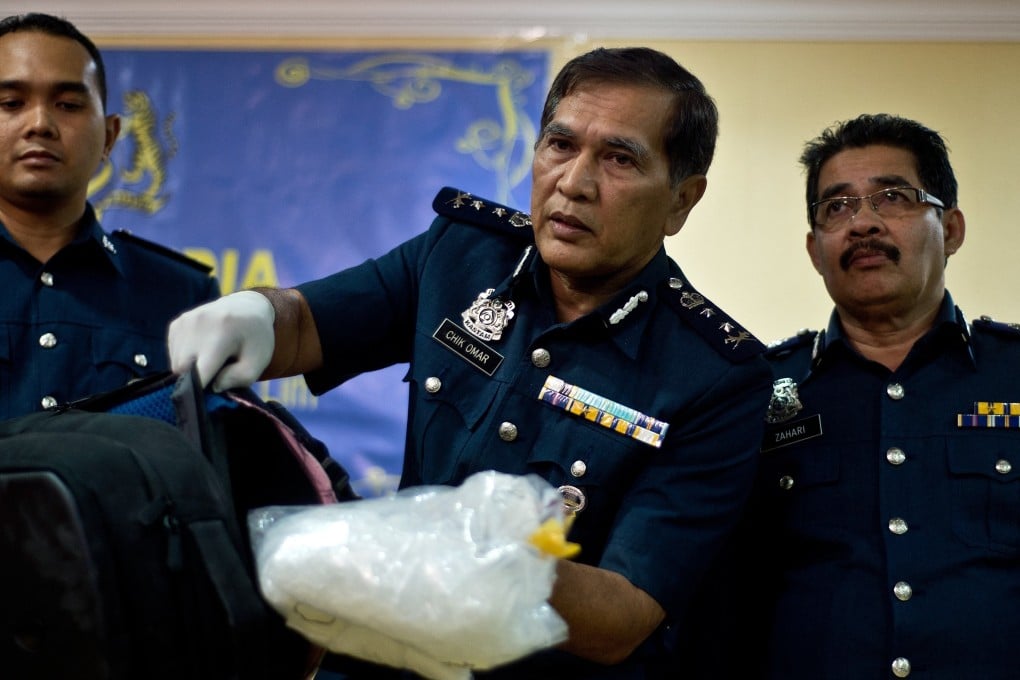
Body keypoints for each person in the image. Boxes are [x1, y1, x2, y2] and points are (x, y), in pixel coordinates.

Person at [169, 46, 771, 677]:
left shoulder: (717, 377)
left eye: (619, 159)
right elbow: (305, 323)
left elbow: (626, 612)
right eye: (560, 146)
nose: (574, 182)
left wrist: (494, 571)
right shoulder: (461, 256)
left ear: (682, 199)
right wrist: (256, 316)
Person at [750, 113, 1018, 679]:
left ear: (951, 229)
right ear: (815, 249)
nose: (863, 223)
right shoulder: (755, 393)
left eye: (892, 197)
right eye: (837, 207)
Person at [0, 12, 219, 420]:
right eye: (11, 103)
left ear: (110, 136)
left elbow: (214, 459)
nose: (40, 124)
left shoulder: (183, 297)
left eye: (67, 104)